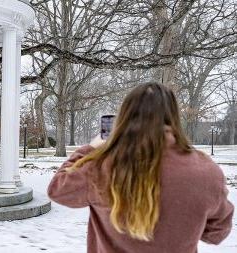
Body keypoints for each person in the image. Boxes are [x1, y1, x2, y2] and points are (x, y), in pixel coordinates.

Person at [47, 82, 234, 253]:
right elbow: (216, 233)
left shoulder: (101, 167)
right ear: (174, 117)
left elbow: (58, 189)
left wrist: (90, 149)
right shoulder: (206, 171)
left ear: (125, 117)